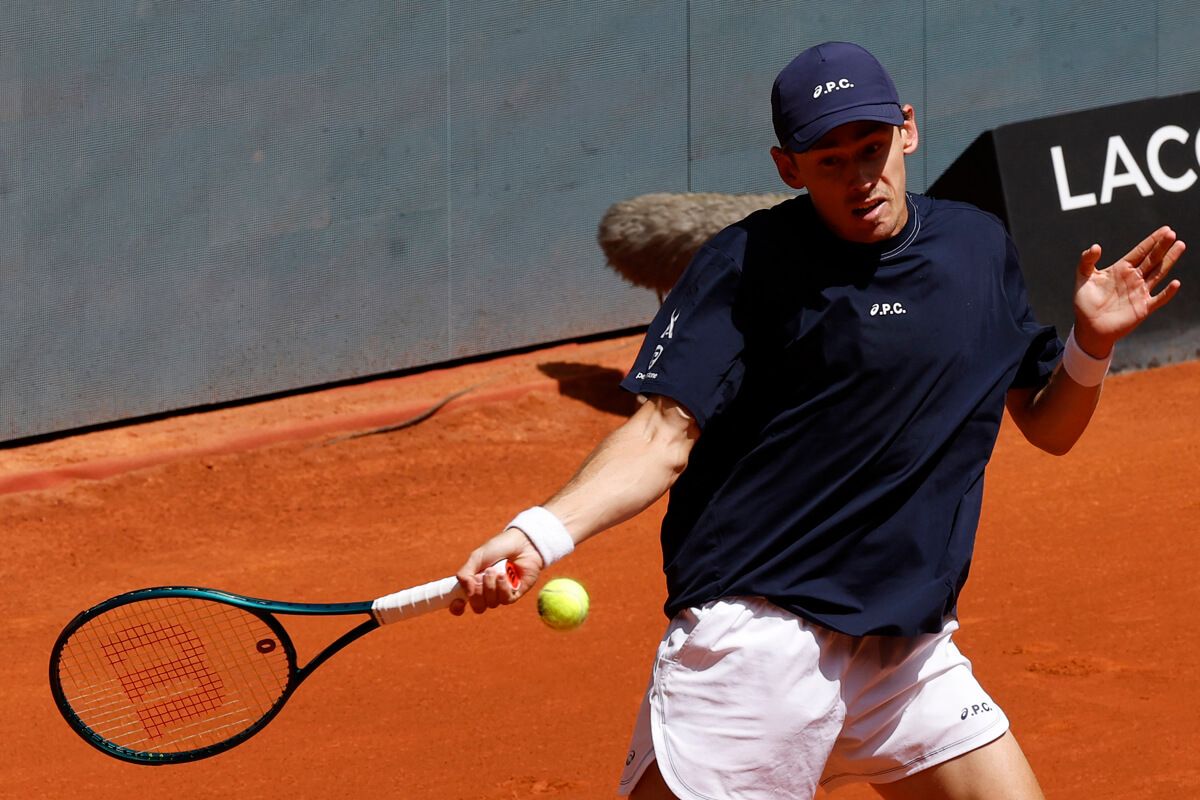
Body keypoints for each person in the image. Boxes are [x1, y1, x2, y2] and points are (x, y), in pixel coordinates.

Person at [450, 41, 1185, 799]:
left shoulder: (975, 247)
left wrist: (1090, 343)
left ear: (908, 129)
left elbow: (1048, 425)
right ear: (787, 167)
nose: (861, 179)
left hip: (907, 651)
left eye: (873, 149)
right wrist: (541, 532)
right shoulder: (745, 264)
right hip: (762, 641)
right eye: (830, 162)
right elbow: (660, 434)